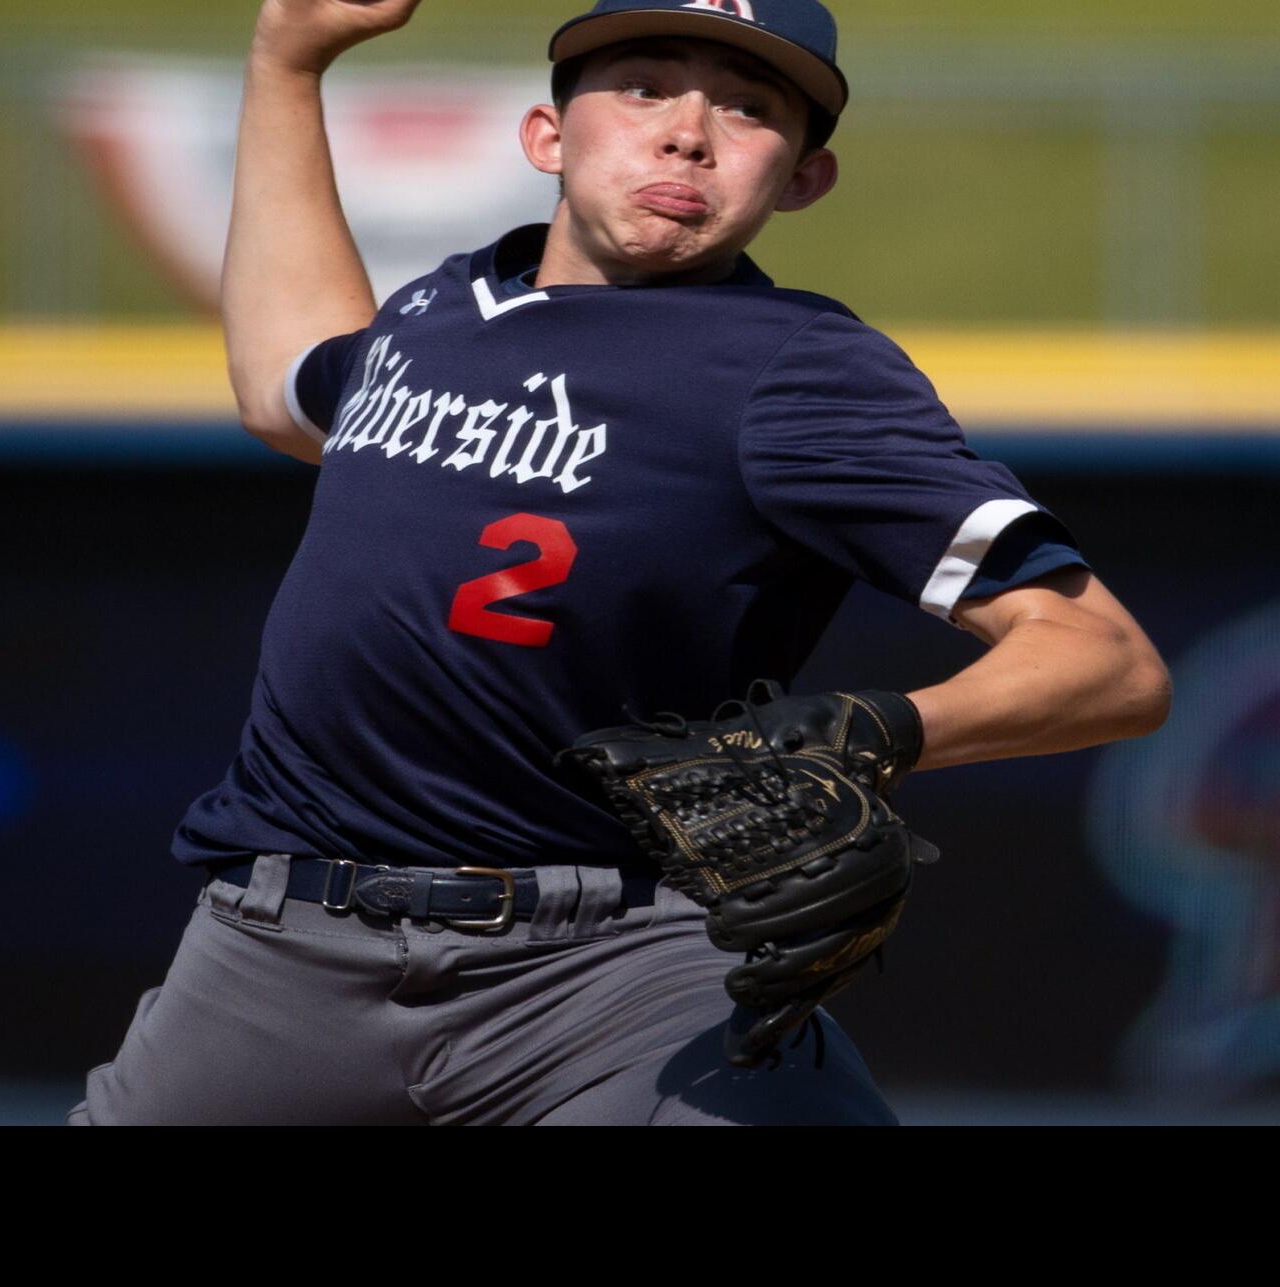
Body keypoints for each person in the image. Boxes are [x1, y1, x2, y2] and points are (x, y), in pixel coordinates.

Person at [67, 0, 1171, 1126]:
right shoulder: (439, 308)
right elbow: (281, 385)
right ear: (547, 135)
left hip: (605, 973)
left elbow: (1110, 663)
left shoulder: (798, 371)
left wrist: (875, 732)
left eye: (749, 109)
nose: (690, 131)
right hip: (274, 953)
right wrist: (289, 59)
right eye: (645, 85)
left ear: (803, 179)